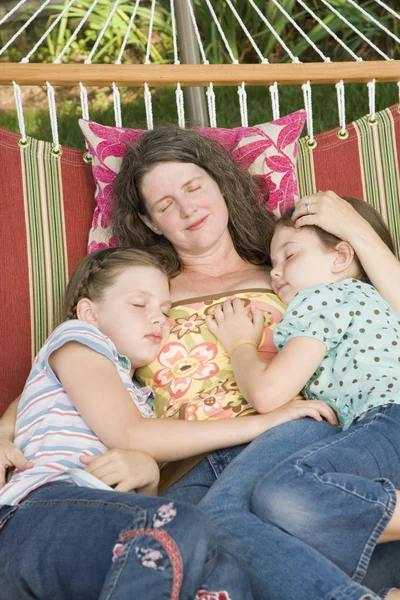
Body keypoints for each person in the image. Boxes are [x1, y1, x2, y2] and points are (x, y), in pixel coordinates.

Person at [1, 126, 400, 596]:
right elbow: (75, 366)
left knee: (227, 525)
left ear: (221, 183)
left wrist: (354, 229)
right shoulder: (144, 293)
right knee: (203, 564)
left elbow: (384, 317)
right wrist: (6, 430)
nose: (188, 208)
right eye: (166, 204)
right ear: (150, 223)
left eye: (194, 187)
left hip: (288, 439)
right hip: (185, 467)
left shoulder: (290, 273)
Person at [1, 245, 319, 600]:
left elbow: (135, 511)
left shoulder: (140, 398)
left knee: (225, 577)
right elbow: (129, 433)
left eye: (165, 311)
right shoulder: (78, 338)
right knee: (177, 522)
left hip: (95, 538)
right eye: (139, 304)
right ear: (89, 312)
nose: (158, 319)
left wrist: (150, 477)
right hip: (35, 514)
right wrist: (263, 423)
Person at [202, 197, 400, 598]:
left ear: (342, 256)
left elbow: (268, 393)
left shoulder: (326, 298)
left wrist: (241, 343)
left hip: (387, 421)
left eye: (289, 255)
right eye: (272, 263)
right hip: (379, 432)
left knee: (283, 493)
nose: (275, 273)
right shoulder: (378, 301)